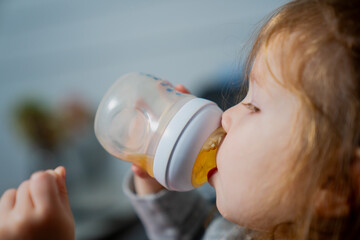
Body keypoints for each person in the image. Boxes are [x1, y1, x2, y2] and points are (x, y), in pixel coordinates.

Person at [1, 0, 359, 239]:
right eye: (243, 97)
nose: (228, 115)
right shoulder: (249, 227)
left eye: (254, 106)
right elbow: (196, 231)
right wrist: (158, 185)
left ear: (333, 184)